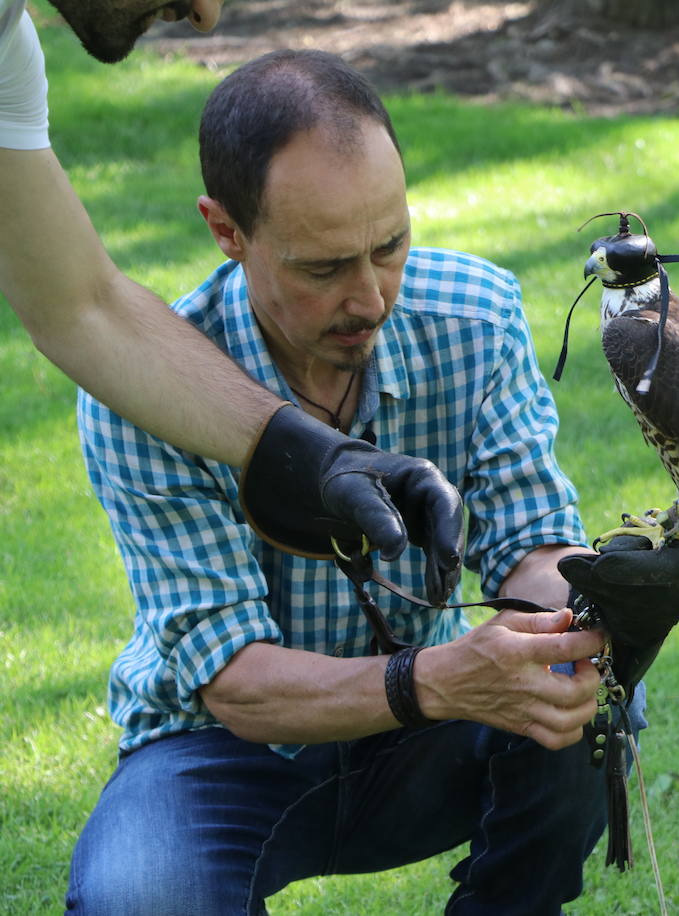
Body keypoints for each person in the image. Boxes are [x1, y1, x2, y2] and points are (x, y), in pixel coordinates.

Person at [63, 49, 679, 914]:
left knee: (571, 695)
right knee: (144, 899)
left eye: (390, 246)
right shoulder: (143, 385)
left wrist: (591, 603)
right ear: (228, 230)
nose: (370, 298)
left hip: (427, 736)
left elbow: (529, 542)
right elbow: (235, 681)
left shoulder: (473, 318)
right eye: (323, 268)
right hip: (219, 752)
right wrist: (431, 679)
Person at [1, 0, 466, 599]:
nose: (205, 14)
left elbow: (85, 308)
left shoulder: (8, 47)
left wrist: (325, 460)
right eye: (323, 267)